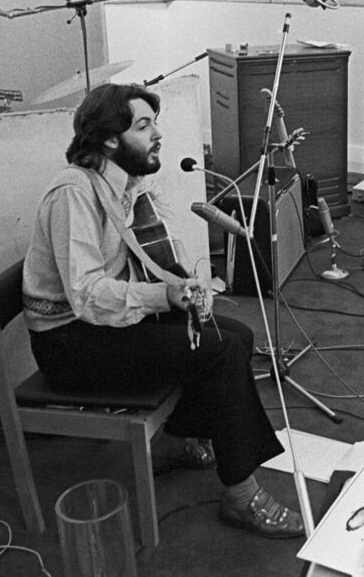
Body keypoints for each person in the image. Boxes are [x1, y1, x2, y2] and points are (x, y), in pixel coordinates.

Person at [22, 83, 302, 538]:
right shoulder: (73, 193)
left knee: (239, 335)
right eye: (144, 126)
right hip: (70, 345)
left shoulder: (120, 183)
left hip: (98, 328)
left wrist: (183, 285)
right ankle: (242, 494)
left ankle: (188, 434)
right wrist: (164, 297)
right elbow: (86, 294)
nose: (158, 135)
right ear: (110, 139)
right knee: (221, 348)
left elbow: (137, 257)